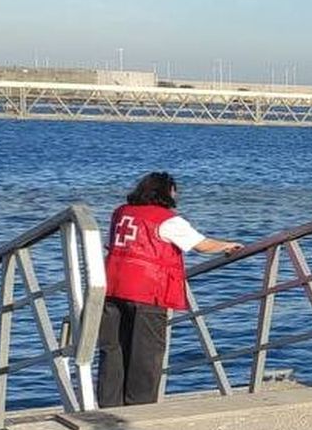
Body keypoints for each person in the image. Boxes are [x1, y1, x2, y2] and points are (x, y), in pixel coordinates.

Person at [96, 171, 243, 407]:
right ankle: (140, 408)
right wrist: (228, 245)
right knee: (146, 355)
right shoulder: (168, 220)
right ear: (166, 192)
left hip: (112, 288)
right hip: (148, 292)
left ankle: (108, 406)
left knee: (113, 350)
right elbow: (202, 245)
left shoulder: (121, 213)